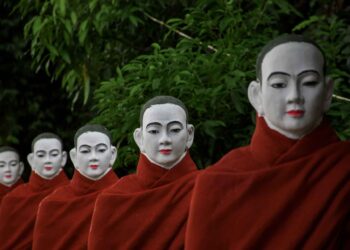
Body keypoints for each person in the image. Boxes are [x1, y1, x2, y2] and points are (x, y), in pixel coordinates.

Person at [185, 34, 350, 249]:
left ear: (328, 93)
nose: (294, 96)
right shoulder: (218, 183)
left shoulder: (343, 167)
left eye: (309, 82)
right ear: (256, 96)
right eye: (279, 84)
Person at [88, 96, 198, 249]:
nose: (164, 139)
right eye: (154, 131)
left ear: (189, 135)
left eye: (174, 130)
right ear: (139, 138)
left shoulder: (207, 188)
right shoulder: (113, 199)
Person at [32, 124, 118, 250]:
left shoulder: (127, 197)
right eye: (85, 151)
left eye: (100, 150)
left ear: (112, 154)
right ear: (74, 156)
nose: (93, 157)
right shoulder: (52, 204)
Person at [0, 133, 69, 250]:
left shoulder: (76, 196)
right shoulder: (13, 199)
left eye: (53, 154)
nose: (48, 160)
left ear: (63, 158)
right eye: (41, 155)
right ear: (31, 160)